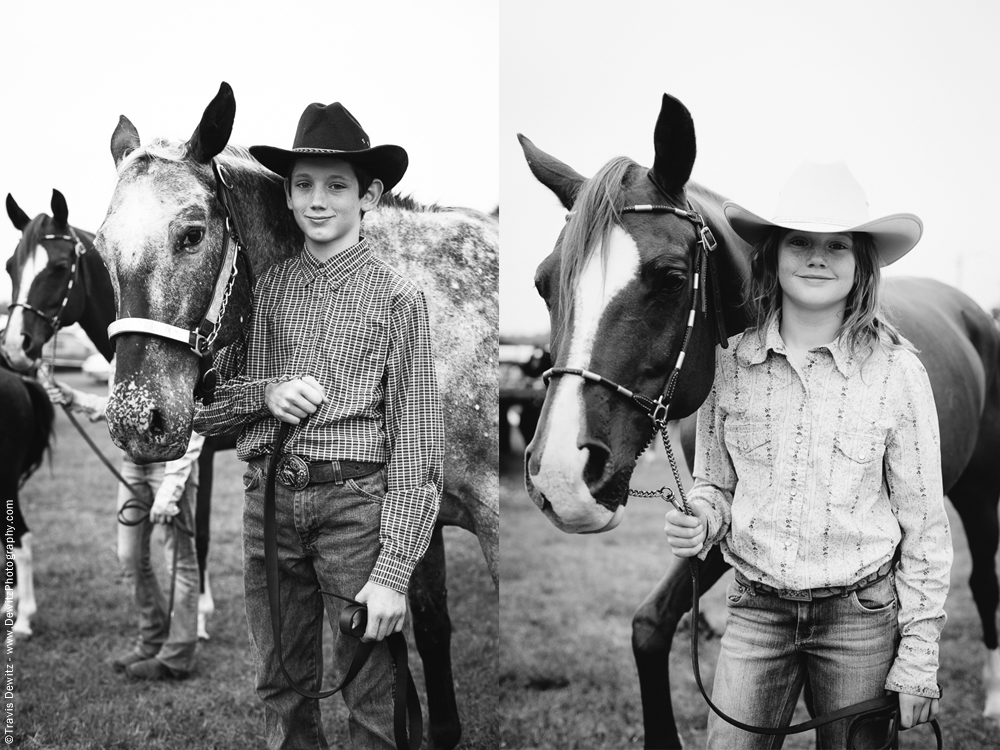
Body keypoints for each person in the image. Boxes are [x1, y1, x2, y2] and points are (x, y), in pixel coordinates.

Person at [663, 161, 952, 749]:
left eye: (837, 245)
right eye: (800, 242)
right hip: (756, 613)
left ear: (860, 263)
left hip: (861, 619)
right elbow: (714, 484)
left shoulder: (898, 373)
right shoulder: (729, 364)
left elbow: (925, 526)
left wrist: (918, 660)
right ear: (772, 254)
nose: (817, 257)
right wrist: (703, 516)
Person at [193, 101, 443, 749]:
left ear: (371, 196)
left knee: (370, 689)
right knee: (279, 682)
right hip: (269, 503)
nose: (317, 200)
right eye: (302, 185)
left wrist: (392, 574)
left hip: (353, 505)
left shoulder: (398, 298)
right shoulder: (269, 288)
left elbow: (418, 449)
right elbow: (211, 408)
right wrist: (266, 392)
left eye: (337, 186)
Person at [43, 363, 203, 680]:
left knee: (179, 561)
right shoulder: (126, 343)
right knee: (129, 556)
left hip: (171, 461)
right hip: (133, 462)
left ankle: (177, 655)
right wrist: (75, 397)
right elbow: (124, 406)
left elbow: (193, 416)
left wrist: (169, 492)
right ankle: (154, 637)